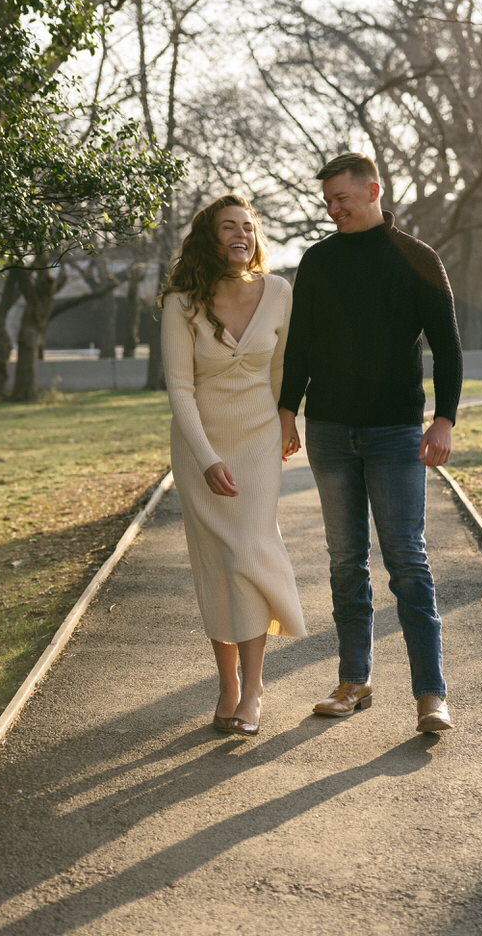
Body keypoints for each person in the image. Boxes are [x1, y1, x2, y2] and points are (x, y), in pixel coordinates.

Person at [278, 153, 463, 734]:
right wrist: (288, 412)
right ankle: (353, 681)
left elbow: (448, 348)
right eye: (328, 201)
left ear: (372, 190)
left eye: (342, 198)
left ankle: (430, 694)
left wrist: (445, 419)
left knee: (408, 560)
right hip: (329, 431)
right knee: (344, 561)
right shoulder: (319, 261)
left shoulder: (418, 259)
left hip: (395, 432)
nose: (334, 209)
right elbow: (300, 346)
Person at [160, 194, 306, 737]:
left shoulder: (279, 293)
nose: (241, 234)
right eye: (228, 227)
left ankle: (255, 688)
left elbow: (283, 371)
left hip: (261, 439)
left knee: (249, 548)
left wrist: (289, 422)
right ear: (210, 237)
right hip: (202, 444)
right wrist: (205, 460)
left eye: (248, 226)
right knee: (217, 562)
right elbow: (179, 387)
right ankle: (227, 686)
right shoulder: (182, 302)